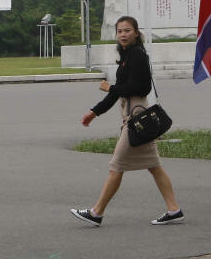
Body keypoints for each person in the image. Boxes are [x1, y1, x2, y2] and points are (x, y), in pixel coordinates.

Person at [70, 15, 184, 227]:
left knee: (116, 166)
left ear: (136, 33)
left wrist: (110, 88)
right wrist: (94, 112)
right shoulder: (126, 57)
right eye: (120, 31)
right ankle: (174, 209)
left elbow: (141, 89)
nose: (123, 34)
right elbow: (116, 94)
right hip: (133, 117)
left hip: (137, 117)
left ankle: (96, 213)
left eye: (127, 30)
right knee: (154, 166)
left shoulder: (138, 56)